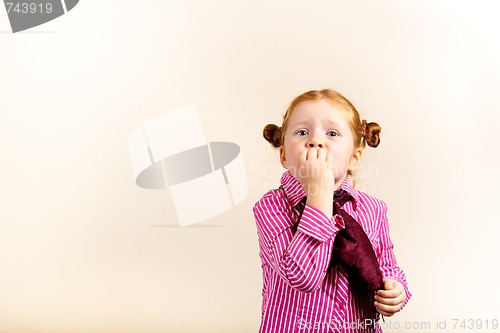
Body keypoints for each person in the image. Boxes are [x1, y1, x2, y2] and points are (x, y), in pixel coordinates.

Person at [253, 89, 411, 333]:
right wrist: (319, 192)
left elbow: (386, 264)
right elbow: (302, 276)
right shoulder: (272, 206)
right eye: (302, 132)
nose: (316, 141)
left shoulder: (373, 209)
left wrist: (395, 289)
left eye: (332, 133)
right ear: (284, 155)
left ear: (354, 158)